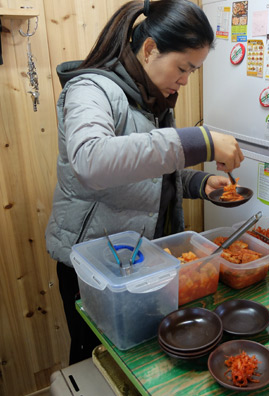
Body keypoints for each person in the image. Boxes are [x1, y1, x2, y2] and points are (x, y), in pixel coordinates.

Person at [45, 0, 243, 364]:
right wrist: (200, 140)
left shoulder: (154, 98)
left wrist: (200, 183)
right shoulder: (91, 89)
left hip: (142, 258)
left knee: (139, 356)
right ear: (150, 50)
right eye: (182, 68)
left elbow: (150, 174)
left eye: (193, 72)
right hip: (94, 267)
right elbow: (92, 161)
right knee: (97, 360)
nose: (184, 80)